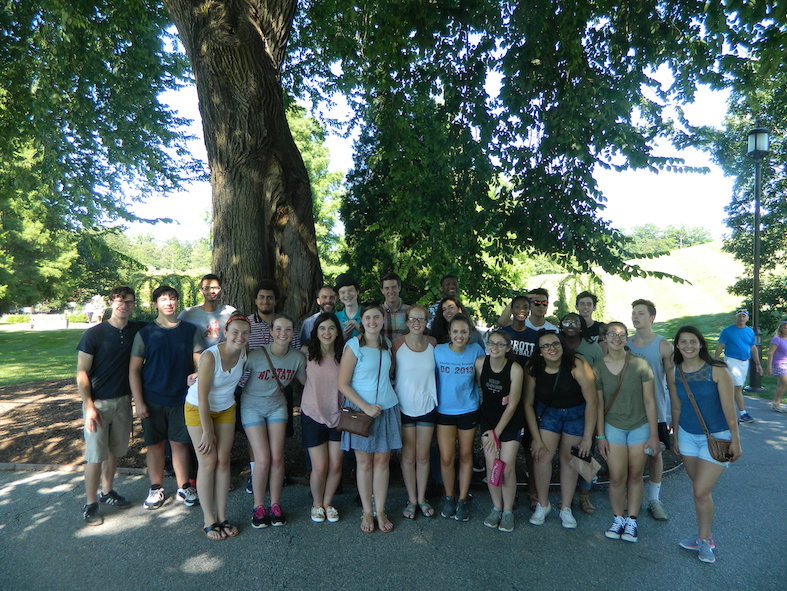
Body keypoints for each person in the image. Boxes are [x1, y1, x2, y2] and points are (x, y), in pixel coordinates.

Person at [667, 326, 742, 564]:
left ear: (701, 344)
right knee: (700, 491)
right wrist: (676, 436)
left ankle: (705, 540)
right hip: (687, 436)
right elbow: (677, 406)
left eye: (693, 341)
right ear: (677, 346)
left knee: (700, 491)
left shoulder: (718, 370)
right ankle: (703, 535)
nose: (688, 346)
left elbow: (730, 408)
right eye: (683, 342)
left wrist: (736, 440)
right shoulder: (674, 372)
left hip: (717, 437)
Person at [130, 285, 203, 511]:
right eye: (163, 299)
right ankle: (155, 488)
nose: (169, 302)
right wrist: (139, 401)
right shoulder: (145, 333)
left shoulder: (191, 330)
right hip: (152, 398)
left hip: (182, 399)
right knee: (155, 446)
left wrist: (198, 374)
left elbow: (199, 361)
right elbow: (133, 370)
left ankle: (184, 486)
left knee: (180, 444)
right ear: (155, 304)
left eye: (172, 298)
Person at [76, 286, 145, 525]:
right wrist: (89, 406)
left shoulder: (138, 330)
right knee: (95, 455)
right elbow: (82, 372)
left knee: (114, 452)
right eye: (119, 300)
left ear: (134, 304)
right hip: (98, 403)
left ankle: (107, 491)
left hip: (123, 401)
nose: (123, 305)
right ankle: (90, 504)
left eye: (128, 301)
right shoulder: (94, 334)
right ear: (111, 303)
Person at [184, 315, 249, 540]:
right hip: (198, 409)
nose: (240, 337)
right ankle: (208, 520)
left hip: (225, 408)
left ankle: (223, 517)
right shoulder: (210, 356)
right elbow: (202, 398)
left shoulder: (244, 353)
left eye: (244, 333)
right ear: (225, 333)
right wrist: (208, 430)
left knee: (223, 460)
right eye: (235, 332)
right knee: (208, 461)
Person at [523, 331, 597, 529]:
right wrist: (536, 438)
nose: (552, 348)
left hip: (575, 415)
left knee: (570, 461)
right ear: (539, 351)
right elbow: (528, 404)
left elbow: (592, 402)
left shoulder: (577, 364)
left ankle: (566, 508)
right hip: (548, 415)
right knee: (542, 456)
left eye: (555, 343)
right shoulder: (533, 368)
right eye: (546, 346)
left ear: (562, 345)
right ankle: (543, 504)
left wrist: (588, 437)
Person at [339, 305, 402, 533]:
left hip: (386, 409)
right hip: (361, 413)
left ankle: (381, 510)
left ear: (383, 320)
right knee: (364, 463)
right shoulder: (354, 346)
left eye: (376, 317)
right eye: (368, 317)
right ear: (362, 321)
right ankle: (367, 511)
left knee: (382, 463)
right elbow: (343, 383)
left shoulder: (387, 345)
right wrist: (365, 406)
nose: (372, 321)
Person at [594, 321, 659, 543]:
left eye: (621, 334)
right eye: (612, 334)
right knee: (616, 476)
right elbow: (599, 406)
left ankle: (632, 520)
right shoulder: (598, 367)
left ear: (627, 338)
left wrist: (654, 433)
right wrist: (600, 435)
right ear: (605, 338)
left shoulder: (640, 364)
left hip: (639, 426)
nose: (617, 338)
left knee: (635, 474)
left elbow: (650, 401)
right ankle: (617, 518)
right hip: (613, 428)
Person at [242, 313, 305, 528]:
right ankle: (258, 506)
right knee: (263, 459)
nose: (283, 333)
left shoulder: (298, 358)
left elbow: (309, 383)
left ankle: (275, 504)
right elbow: (232, 373)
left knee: (278, 458)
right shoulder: (255, 355)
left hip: (277, 406)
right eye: (278, 329)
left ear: (293, 332)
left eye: (288, 329)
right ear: (270, 332)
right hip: (252, 407)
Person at [434, 315, 486, 522]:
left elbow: (483, 379)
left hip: (468, 409)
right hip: (444, 411)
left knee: (465, 455)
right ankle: (449, 496)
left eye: (463, 331)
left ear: (470, 333)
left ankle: (463, 498)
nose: (459, 335)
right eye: (455, 332)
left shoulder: (476, 351)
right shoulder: (438, 351)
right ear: (449, 333)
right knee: (446, 457)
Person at [628, 298, 674, 521]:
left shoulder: (664, 345)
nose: (636, 317)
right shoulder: (626, 344)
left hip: (656, 409)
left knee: (655, 454)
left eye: (641, 313)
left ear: (652, 317)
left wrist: (674, 413)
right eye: (634, 313)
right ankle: (630, 496)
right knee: (631, 455)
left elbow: (673, 382)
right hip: (630, 411)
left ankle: (654, 500)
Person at [392, 305, 438, 520]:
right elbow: (389, 372)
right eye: (412, 319)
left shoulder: (434, 344)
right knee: (408, 456)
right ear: (407, 321)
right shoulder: (397, 344)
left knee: (423, 455)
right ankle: (411, 499)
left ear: (426, 320)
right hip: (404, 406)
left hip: (428, 405)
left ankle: (422, 498)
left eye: (421, 318)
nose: (417, 323)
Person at [476, 330, 524, 532]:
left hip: (510, 421)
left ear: (508, 347)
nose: (494, 347)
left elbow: (512, 405)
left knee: (506, 467)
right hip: (488, 419)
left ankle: (508, 511)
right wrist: (490, 431)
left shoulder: (515, 369)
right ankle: (496, 507)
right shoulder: (480, 363)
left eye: (500, 344)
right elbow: (481, 391)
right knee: (491, 466)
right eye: (491, 343)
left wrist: (496, 433)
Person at [300, 312, 346, 523]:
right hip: (312, 414)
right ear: (315, 332)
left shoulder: (345, 354)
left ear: (337, 331)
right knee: (319, 467)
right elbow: (300, 377)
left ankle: (328, 503)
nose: (327, 333)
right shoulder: (306, 352)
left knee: (336, 465)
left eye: (331, 328)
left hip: (338, 416)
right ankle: (316, 503)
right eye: (322, 328)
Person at [559, 312, 603, 514]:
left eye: (575, 322)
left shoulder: (592, 348)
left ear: (581, 327)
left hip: (586, 404)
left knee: (584, 451)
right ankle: (565, 496)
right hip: (560, 403)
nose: (570, 325)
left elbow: (599, 379)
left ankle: (585, 495)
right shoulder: (556, 344)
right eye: (566, 321)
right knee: (565, 455)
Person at [714, 310, 761, 423]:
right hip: (731, 360)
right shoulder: (727, 331)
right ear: (736, 318)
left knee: (735, 387)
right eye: (739, 316)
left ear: (747, 318)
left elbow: (753, 348)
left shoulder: (749, 331)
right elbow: (720, 345)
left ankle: (724, 411)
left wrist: (758, 363)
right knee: (737, 387)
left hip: (744, 362)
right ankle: (742, 413)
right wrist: (715, 360)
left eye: (744, 316)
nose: (741, 318)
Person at [178, 274, 236, 348]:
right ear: (201, 291)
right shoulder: (187, 314)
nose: (212, 291)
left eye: (215, 288)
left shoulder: (230, 312)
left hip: (223, 357)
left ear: (220, 290)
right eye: (207, 288)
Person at [379, 272, 410, 343]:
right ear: (382, 291)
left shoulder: (409, 311)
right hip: (383, 352)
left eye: (394, 287)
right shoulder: (377, 312)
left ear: (399, 288)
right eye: (387, 288)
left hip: (404, 352)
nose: (391, 291)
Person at [767, 320, 787, 412]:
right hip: (779, 364)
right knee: (785, 383)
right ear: (781, 328)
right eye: (785, 327)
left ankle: (776, 403)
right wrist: (769, 366)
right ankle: (776, 403)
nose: (786, 329)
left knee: (781, 385)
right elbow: (770, 353)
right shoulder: (777, 339)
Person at [335, 273, 362, 340]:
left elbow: (376, 340)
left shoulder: (368, 314)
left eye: (350, 290)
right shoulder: (335, 318)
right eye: (342, 292)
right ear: (339, 296)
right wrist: (342, 337)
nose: (347, 295)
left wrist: (359, 329)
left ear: (357, 292)